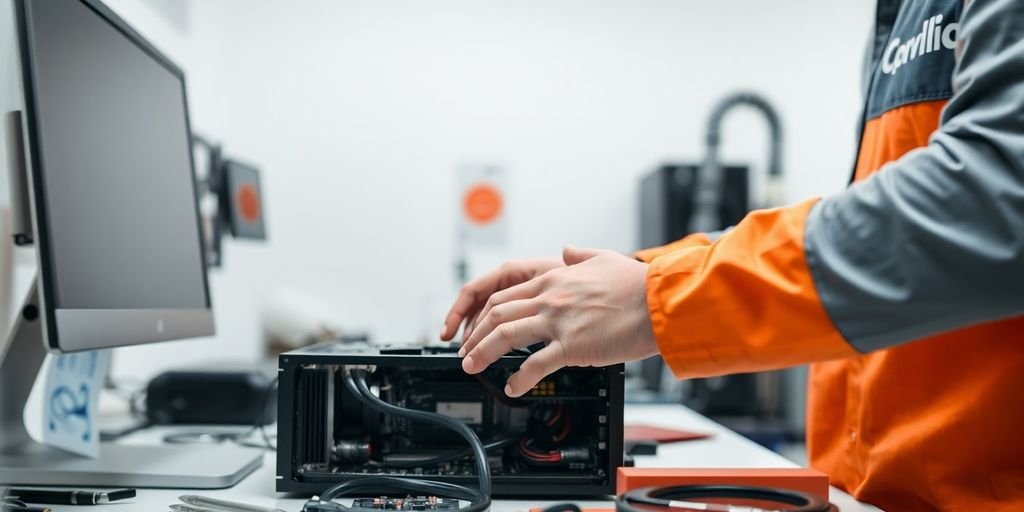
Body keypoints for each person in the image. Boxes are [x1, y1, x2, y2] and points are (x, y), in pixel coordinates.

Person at [439, 0, 1024, 510]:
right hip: (873, 493)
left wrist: (660, 295)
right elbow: (897, 211)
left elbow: (998, 198)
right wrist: (634, 277)